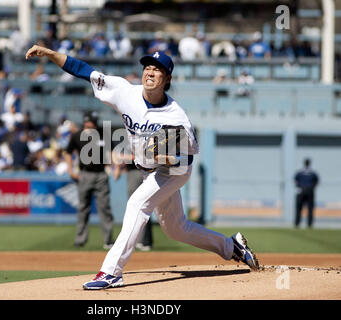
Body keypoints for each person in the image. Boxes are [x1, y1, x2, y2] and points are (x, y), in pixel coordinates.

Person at [25, 44, 260, 290]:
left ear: (167, 78)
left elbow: (187, 159)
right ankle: (231, 246)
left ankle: (111, 272)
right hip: (149, 169)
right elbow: (84, 70)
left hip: (174, 170)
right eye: (147, 67)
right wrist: (50, 53)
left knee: (138, 204)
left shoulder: (176, 118)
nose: (149, 72)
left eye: (157, 70)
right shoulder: (124, 91)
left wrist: (161, 157)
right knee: (176, 229)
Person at [64, 111, 115, 250]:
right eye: (89, 122)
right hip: (85, 174)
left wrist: (112, 166)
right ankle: (80, 239)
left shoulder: (104, 134)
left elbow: (111, 152)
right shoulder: (77, 135)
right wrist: (70, 170)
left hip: (101, 174)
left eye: (92, 122)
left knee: (105, 208)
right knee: (83, 208)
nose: (90, 124)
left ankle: (108, 240)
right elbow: (68, 152)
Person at [294, 158, 319, 228]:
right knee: (309, 208)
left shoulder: (300, 173)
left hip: (301, 191)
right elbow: (316, 181)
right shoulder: (312, 173)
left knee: (299, 208)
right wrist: (311, 187)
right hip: (309, 191)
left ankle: (297, 223)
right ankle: (309, 224)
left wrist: (299, 187)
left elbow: (295, 180)